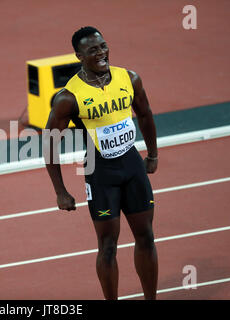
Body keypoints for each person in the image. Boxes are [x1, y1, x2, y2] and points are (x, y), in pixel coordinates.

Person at [44, 26, 159, 300]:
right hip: (100, 172)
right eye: (92, 50)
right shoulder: (68, 97)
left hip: (132, 166)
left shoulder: (129, 78)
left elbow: (145, 114)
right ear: (79, 56)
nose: (101, 53)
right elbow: (49, 145)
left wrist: (152, 154)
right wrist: (60, 190)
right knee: (108, 246)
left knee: (146, 237)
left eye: (103, 46)